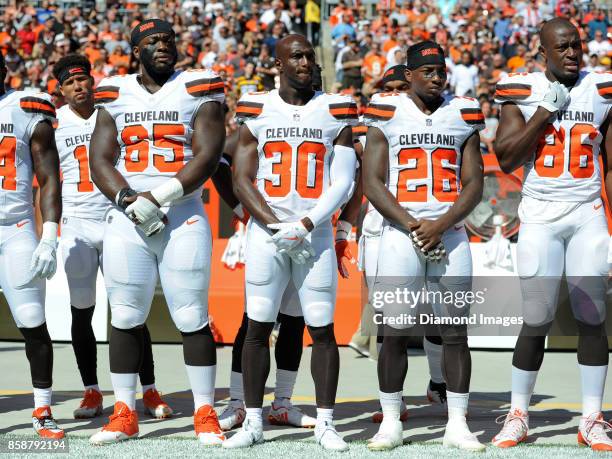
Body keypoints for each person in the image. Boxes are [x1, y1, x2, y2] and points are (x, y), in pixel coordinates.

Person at [88, 19, 226, 445]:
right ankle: (125, 410)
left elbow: (209, 153)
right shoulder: (114, 90)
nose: (164, 45)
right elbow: (100, 158)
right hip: (129, 218)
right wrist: (130, 200)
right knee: (126, 316)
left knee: (191, 316)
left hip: (181, 212)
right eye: (153, 41)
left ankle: (205, 411)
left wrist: (159, 195)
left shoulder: (198, 86)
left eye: (169, 39)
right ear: (135, 51)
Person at [224, 34, 358, 451]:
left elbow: (345, 180)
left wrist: (306, 222)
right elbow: (241, 177)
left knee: (321, 329)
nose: (305, 62)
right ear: (277, 64)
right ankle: (252, 420)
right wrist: (273, 224)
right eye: (296, 56)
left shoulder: (335, 108)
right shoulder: (256, 107)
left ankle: (326, 423)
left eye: (309, 56)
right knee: (257, 325)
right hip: (268, 234)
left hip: (312, 234)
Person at [492, 18, 612, 451]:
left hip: (587, 213)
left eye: (576, 45)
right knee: (537, 317)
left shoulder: (601, 88)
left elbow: (610, 166)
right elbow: (505, 158)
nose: (572, 53)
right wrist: (546, 111)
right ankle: (519, 413)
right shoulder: (521, 89)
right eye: (561, 47)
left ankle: (592, 417)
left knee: (592, 316)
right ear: (542, 51)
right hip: (540, 215)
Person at [363, 41, 485, 451]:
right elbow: (373, 181)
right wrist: (414, 224)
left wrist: (442, 223)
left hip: (449, 233)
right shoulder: (387, 108)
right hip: (401, 233)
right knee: (394, 331)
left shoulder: (462, 112)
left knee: (454, 332)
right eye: (428, 71)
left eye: (441, 70)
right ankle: (391, 420)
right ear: (409, 73)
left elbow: (474, 182)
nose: (437, 77)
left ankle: (456, 422)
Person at [52, 54, 172, 421]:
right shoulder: (54, 123)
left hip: (116, 218)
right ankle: (91, 390)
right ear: (61, 90)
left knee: (130, 309)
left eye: (83, 80)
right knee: (81, 311)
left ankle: (148, 388)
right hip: (77, 222)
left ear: (93, 81)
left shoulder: (114, 108)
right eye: (71, 83)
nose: (79, 87)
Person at [345, 66, 448, 423]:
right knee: (389, 316)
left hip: (426, 219)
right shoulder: (371, 121)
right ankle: (393, 399)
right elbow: (357, 179)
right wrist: (346, 223)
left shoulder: (435, 118)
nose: (392, 92)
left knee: (438, 308)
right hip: (378, 227)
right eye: (386, 87)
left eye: (400, 86)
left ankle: (438, 381)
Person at [211, 130, 316, 431]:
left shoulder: (323, 113)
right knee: (254, 321)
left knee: (295, 321)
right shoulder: (264, 113)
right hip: (266, 231)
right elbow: (220, 160)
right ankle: (238, 402)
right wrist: (243, 210)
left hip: (305, 231)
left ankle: (282, 402)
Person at [0, 49, 63, 439]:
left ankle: (42, 409)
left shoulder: (25, 107)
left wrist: (51, 232)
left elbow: (48, 173)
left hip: (15, 227)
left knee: (31, 320)